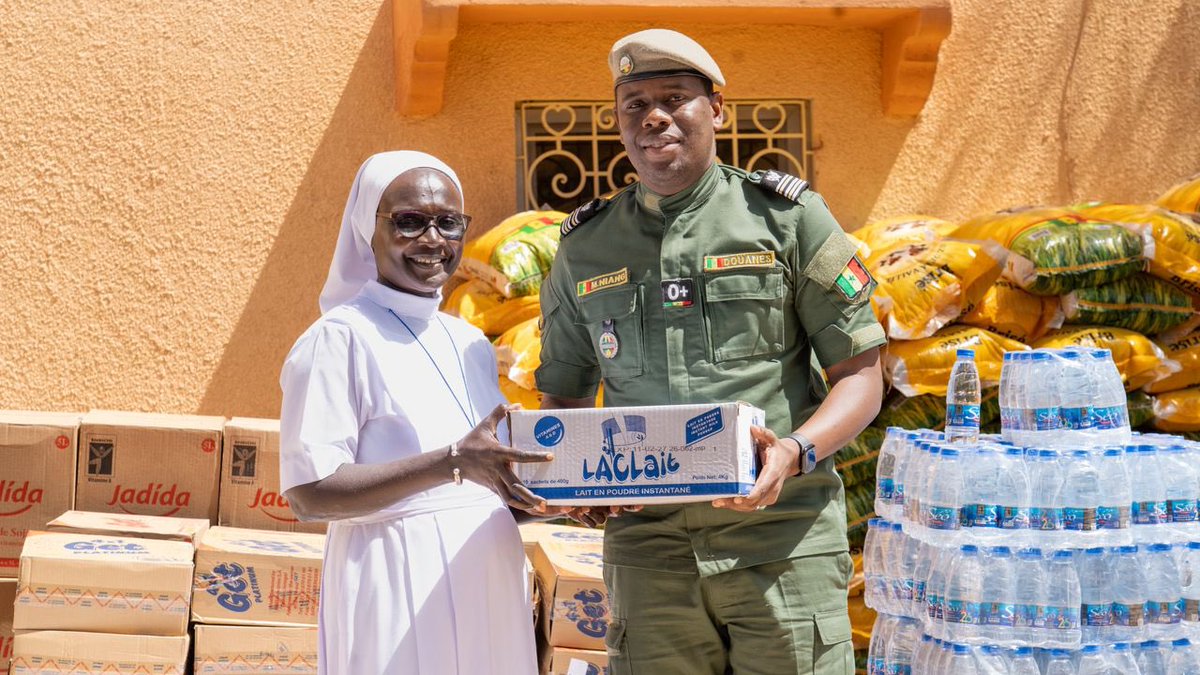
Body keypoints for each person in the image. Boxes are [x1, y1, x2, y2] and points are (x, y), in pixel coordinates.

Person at [536, 30, 886, 674]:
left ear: (718, 108)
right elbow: (563, 394)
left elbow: (862, 374)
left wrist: (795, 450)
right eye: (634, 102)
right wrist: (577, 479)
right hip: (649, 554)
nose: (654, 116)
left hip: (781, 543)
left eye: (675, 97)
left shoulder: (787, 219)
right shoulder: (584, 247)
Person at [279, 151, 548, 674]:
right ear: (367, 230)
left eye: (448, 223)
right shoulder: (338, 340)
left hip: (486, 574)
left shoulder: (470, 342)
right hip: (393, 578)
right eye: (409, 222)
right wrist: (451, 461)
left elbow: (475, 479)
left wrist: (544, 501)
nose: (433, 241)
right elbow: (310, 494)